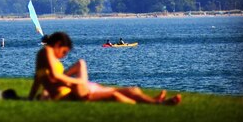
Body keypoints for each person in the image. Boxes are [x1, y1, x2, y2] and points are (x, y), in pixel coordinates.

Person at [29, 32, 181, 105]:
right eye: (64, 52)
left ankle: (154, 102)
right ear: (57, 45)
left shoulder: (43, 58)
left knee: (129, 91)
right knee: (117, 95)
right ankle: (156, 104)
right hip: (70, 93)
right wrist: (77, 82)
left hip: (71, 90)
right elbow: (55, 76)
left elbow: (39, 78)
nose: (63, 56)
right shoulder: (47, 51)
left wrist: (30, 98)